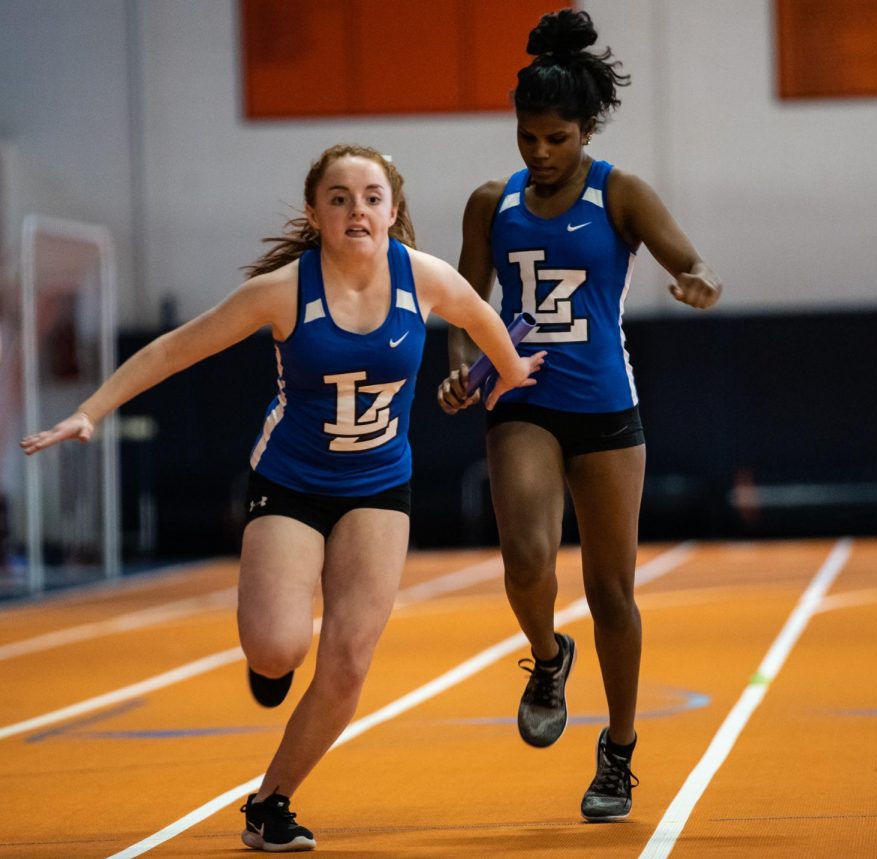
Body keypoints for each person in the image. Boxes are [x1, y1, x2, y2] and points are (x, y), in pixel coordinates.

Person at [21, 143, 545, 852]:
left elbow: (484, 318)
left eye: (370, 196)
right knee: (276, 648)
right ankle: (270, 662)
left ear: (393, 209)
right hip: (292, 482)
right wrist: (93, 409)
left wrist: (510, 372)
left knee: (350, 659)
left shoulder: (425, 280)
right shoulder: (282, 291)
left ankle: (271, 800)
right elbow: (177, 348)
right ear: (315, 211)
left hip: (379, 486)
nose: (356, 209)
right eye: (339, 197)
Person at [437, 9, 722, 822]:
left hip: (605, 406)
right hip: (522, 399)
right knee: (526, 560)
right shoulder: (493, 203)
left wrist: (700, 283)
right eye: (528, 137)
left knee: (611, 590)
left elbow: (690, 262)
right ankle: (546, 655)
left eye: (556, 138)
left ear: (585, 128)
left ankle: (620, 751)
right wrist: (461, 372)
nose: (540, 153)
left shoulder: (620, 193)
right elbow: (463, 308)